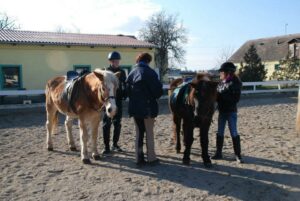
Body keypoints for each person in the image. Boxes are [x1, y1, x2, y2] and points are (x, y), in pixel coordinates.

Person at [126, 53, 163, 167]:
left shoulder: (131, 73)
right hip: (148, 108)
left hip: (135, 108)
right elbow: (157, 92)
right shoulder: (150, 73)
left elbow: (127, 92)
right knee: (149, 133)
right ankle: (151, 158)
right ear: (148, 61)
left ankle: (138, 158)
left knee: (139, 133)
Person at [212, 61, 244, 163]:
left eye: (222, 72)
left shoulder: (235, 83)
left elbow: (235, 99)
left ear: (228, 72)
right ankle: (218, 153)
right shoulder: (221, 83)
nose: (220, 74)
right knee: (220, 132)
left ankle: (238, 155)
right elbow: (217, 96)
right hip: (222, 111)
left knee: (234, 132)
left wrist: (221, 97)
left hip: (231, 112)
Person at [101, 51, 127, 154]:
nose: (117, 62)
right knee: (106, 124)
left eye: (118, 61)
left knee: (117, 123)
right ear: (111, 61)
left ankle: (115, 144)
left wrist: (125, 93)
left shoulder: (122, 72)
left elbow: (124, 84)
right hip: (108, 101)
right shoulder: (106, 72)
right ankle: (106, 146)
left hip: (118, 100)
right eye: (115, 61)